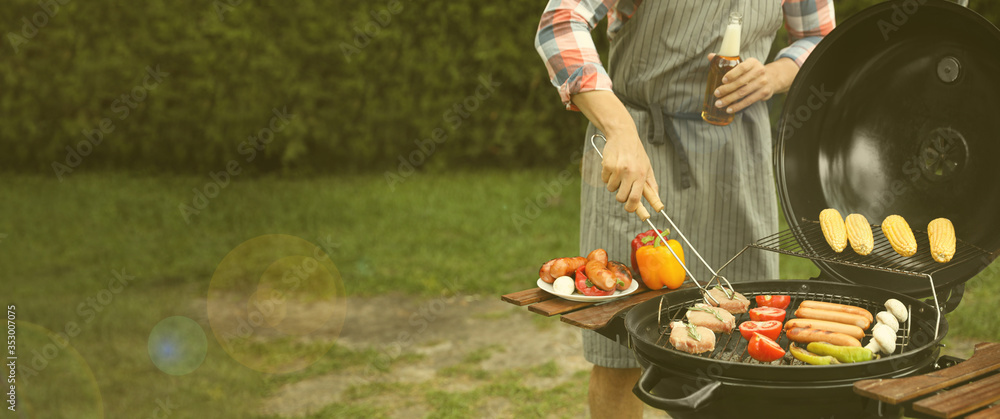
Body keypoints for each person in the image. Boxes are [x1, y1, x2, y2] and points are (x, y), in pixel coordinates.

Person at [534, 1, 835, 417]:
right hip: (636, 148)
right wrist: (619, 129)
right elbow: (560, 23)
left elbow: (818, 38)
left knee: (741, 351)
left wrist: (771, 76)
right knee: (620, 356)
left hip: (736, 159)